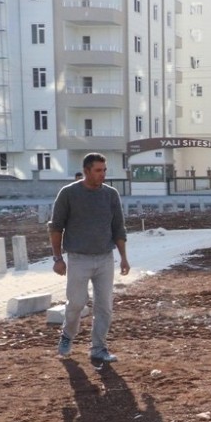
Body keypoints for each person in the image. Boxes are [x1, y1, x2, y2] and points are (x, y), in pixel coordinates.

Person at [50, 153, 130, 368]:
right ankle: (67, 335)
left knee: (104, 306)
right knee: (76, 303)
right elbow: (56, 227)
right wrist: (58, 258)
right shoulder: (68, 194)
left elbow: (118, 228)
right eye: (98, 170)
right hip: (78, 259)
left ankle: (99, 348)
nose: (103, 174)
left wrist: (123, 257)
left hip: (105, 258)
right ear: (86, 171)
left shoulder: (111, 195)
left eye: (104, 170)